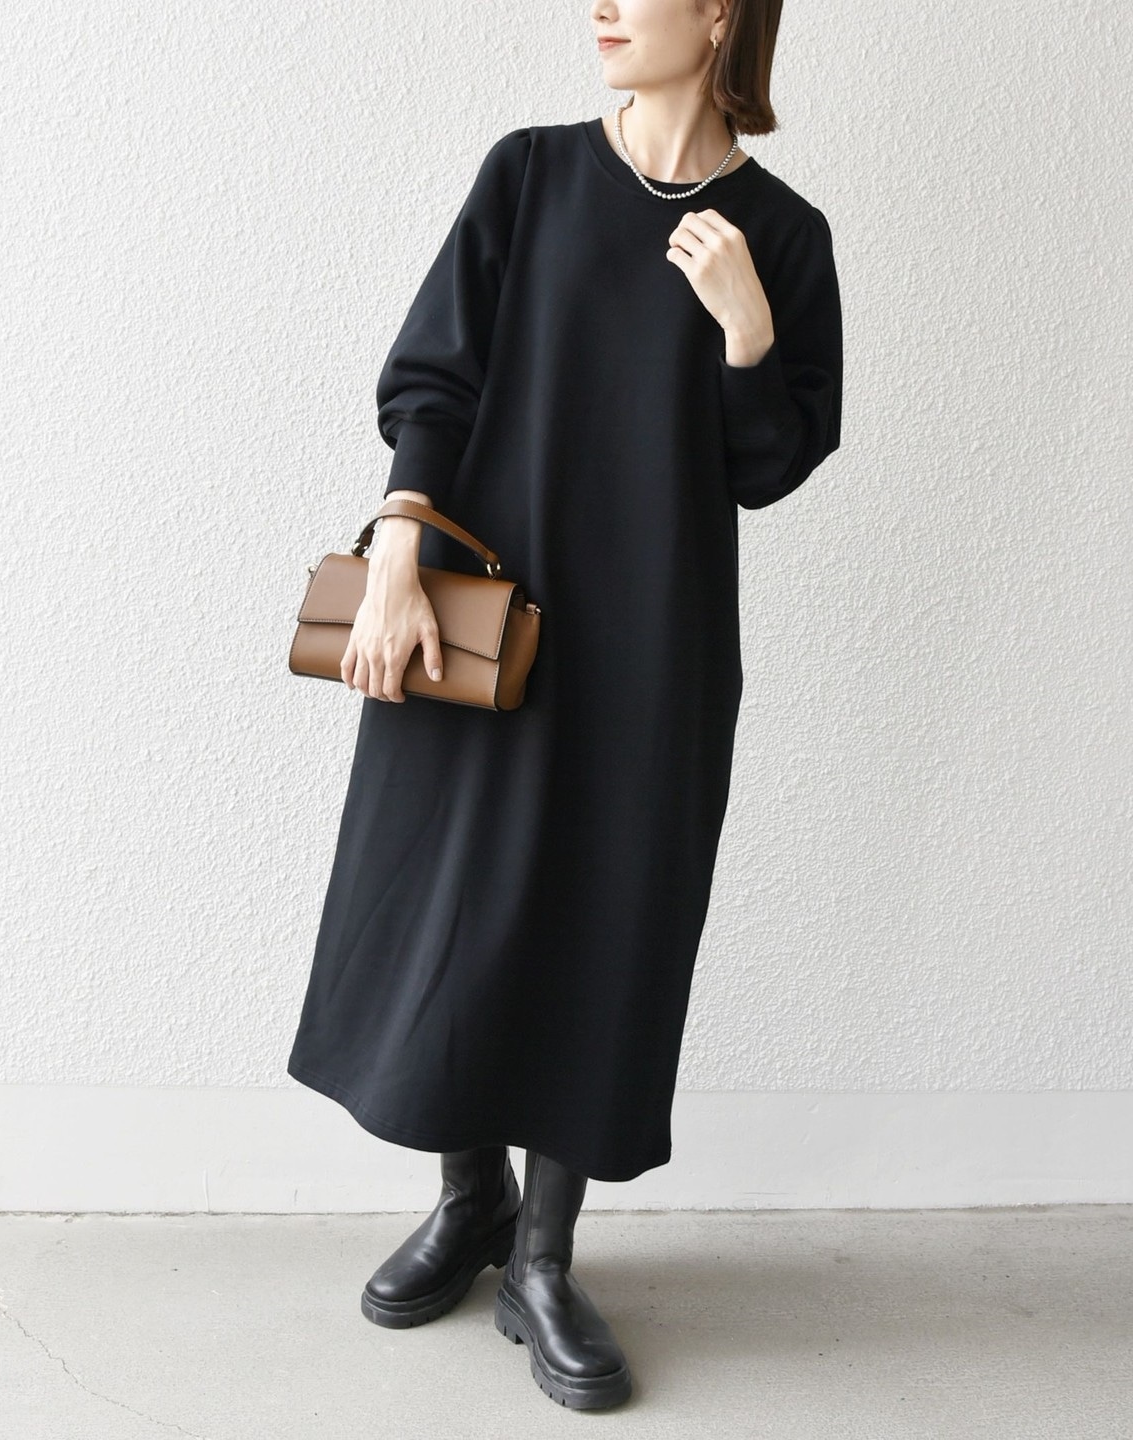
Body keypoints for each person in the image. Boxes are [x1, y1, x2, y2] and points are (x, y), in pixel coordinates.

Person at [287, 0, 842, 1410]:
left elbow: (768, 467)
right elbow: (435, 376)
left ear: (716, 14)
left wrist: (746, 329)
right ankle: (468, 1201)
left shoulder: (782, 234)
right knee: (458, 909)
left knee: (603, 927)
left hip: (650, 650)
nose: (600, 6)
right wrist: (397, 549)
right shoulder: (530, 172)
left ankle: (544, 1259)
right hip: (473, 624)